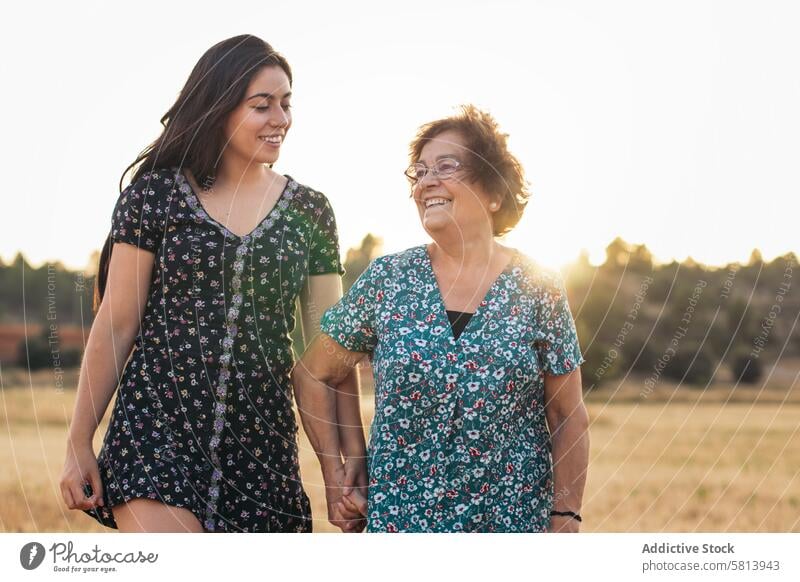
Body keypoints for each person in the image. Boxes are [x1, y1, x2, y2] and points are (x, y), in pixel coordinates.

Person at [59, 35, 366, 533]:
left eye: (286, 104)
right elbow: (116, 325)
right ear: (219, 107)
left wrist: (343, 465)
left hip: (263, 450)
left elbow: (328, 353)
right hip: (155, 437)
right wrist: (78, 443)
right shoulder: (156, 196)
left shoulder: (311, 211)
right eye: (261, 105)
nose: (280, 119)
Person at [293, 105, 590, 532]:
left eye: (446, 166)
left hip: (509, 528)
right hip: (400, 527)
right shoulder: (388, 280)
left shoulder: (538, 287)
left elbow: (567, 415)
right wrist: (341, 473)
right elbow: (313, 374)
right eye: (419, 171)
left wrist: (566, 516)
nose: (426, 181)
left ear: (494, 192)